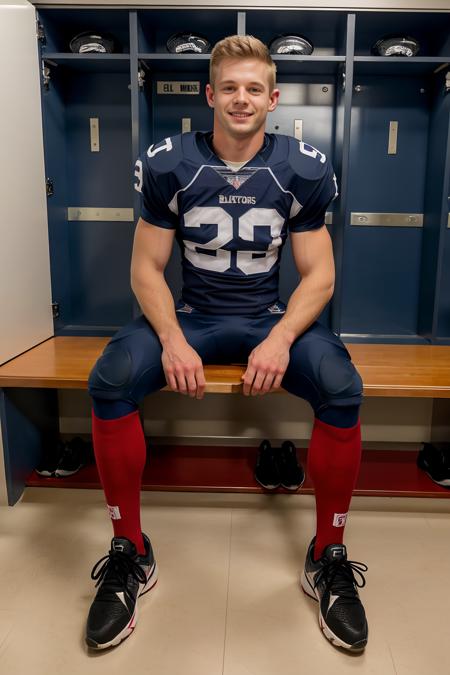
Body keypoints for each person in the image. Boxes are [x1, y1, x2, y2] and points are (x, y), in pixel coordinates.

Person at [86, 35, 368, 653]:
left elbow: (319, 273)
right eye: (230, 88)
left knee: (343, 385)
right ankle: (129, 549)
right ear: (211, 96)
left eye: (254, 89)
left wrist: (281, 338)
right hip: (194, 315)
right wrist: (171, 339)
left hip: (268, 316)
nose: (242, 99)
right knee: (109, 378)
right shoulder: (168, 162)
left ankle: (329, 553)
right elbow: (145, 269)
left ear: (273, 98)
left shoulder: (302, 166)